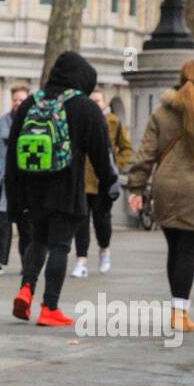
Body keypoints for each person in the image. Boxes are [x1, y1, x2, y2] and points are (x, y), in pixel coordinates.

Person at [4, 51, 118, 326]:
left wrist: (14, 199)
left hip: (32, 187)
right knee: (59, 245)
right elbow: (101, 156)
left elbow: (12, 155)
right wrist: (107, 187)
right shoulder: (85, 107)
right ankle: (50, 308)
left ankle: (26, 289)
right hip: (67, 188)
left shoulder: (31, 102)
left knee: (37, 241)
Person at [126, 59, 194, 335]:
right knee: (187, 252)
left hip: (166, 188)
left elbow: (146, 154)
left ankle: (177, 310)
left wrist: (136, 188)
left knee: (175, 250)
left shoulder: (163, 113)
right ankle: (180, 313)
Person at [72, 90, 132, 278]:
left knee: (102, 220)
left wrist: (115, 165)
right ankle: (81, 260)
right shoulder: (81, 121)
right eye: (92, 101)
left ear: (105, 103)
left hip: (103, 180)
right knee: (81, 221)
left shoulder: (114, 121)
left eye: (98, 100)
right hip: (82, 180)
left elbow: (126, 148)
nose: (95, 104)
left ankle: (104, 250)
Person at [0, 83, 30, 277]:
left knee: (27, 226)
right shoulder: (2, 122)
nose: (18, 103)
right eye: (15, 100)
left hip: (26, 183)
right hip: (2, 181)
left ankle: (28, 263)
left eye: (22, 100)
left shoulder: (35, 123)